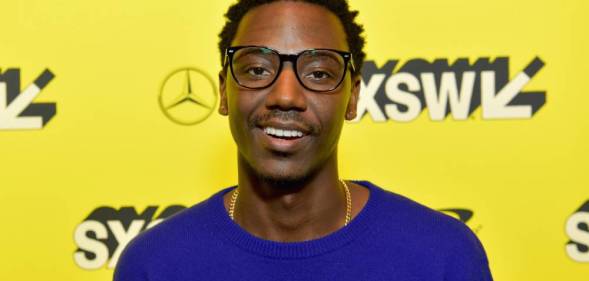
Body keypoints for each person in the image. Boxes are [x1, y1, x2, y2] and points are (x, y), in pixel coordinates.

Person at [114, 1, 494, 280]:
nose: (286, 96)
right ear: (224, 92)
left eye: (317, 73)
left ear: (353, 98)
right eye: (257, 69)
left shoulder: (441, 256)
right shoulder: (155, 264)